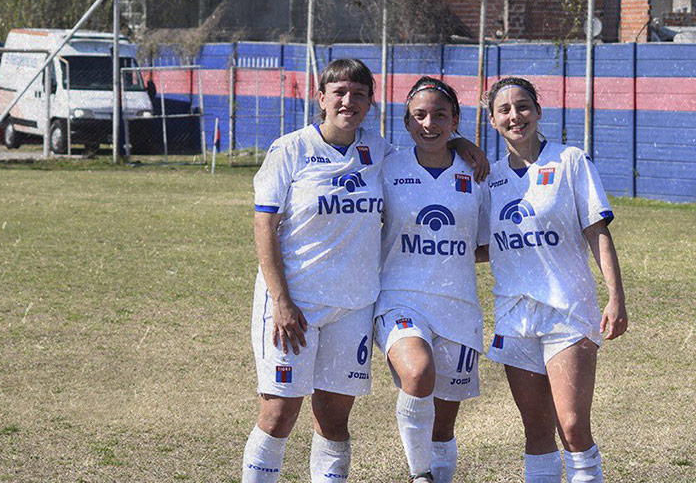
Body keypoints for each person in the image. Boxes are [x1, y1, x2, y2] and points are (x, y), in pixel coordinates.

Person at [242, 59, 487, 483]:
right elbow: (265, 225)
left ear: (371, 103)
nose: (348, 102)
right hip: (294, 303)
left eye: (358, 94)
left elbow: (429, 142)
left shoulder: (379, 152)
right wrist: (280, 300)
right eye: (339, 93)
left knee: (333, 420)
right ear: (321, 99)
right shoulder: (291, 149)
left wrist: (463, 143)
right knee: (280, 412)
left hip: (354, 304)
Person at [481, 77, 628, 483]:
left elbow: (597, 231)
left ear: (538, 111)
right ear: (492, 120)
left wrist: (616, 297)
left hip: (568, 312)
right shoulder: (487, 178)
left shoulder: (570, 161)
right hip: (514, 317)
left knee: (573, 427)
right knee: (536, 432)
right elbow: (480, 245)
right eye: (505, 110)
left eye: (523, 106)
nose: (515, 116)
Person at [376, 77, 489, 483]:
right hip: (400, 299)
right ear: (406, 123)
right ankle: (418, 475)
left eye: (440, 115)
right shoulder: (387, 166)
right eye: (419, 116)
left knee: (442, 427)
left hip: (458, 307)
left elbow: (487, 243)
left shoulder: (476, 174)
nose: (429, 123)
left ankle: (436, 474)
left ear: (455, 120)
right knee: (418, 373)